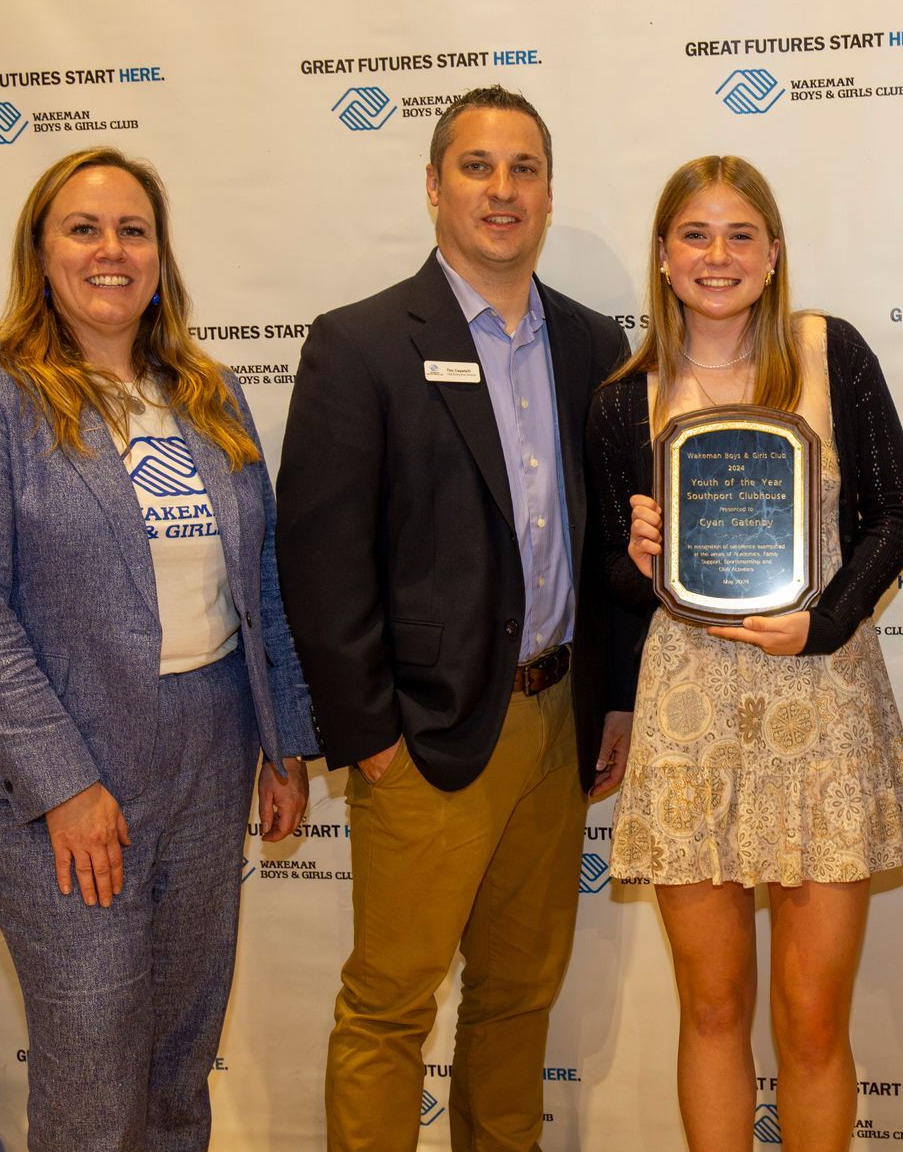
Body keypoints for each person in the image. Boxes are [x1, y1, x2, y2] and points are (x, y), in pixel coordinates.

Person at [0, 147, 316, 1152]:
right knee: (94, 1064)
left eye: (134, 230)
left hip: (212, 743)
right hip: (63, 765)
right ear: (41, 255)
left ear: (161, 258)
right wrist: (66, 784)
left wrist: (283, 740)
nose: (111, 251)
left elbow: (260, 576)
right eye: (83, 230)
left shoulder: (208, 394)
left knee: (180, 1050)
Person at [276, 85, 629, 1152]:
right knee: (390, 1004)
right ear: (434, 187)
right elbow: (320, 562)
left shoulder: (594, 343)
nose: (501, 189)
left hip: (558, 723)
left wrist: (613, 700)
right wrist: (369, 735)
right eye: (477, 166)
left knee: (519, 996)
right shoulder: (361, 344)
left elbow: (610, 548)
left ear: (550, 193)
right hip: (423, 738)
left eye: (524, 168)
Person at [588, 155, 903, 1151]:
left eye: (741, 234)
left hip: (821, 701)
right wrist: (639, 561)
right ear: (663, 255)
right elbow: (609, 573)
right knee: (711, 1008)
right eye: (695, 234)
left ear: (774, 254)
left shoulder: (829, 353)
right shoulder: (623, 400)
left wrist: (827, 624)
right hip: (688, 717)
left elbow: (896, 513)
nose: (718, 255)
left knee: (813, 1018)